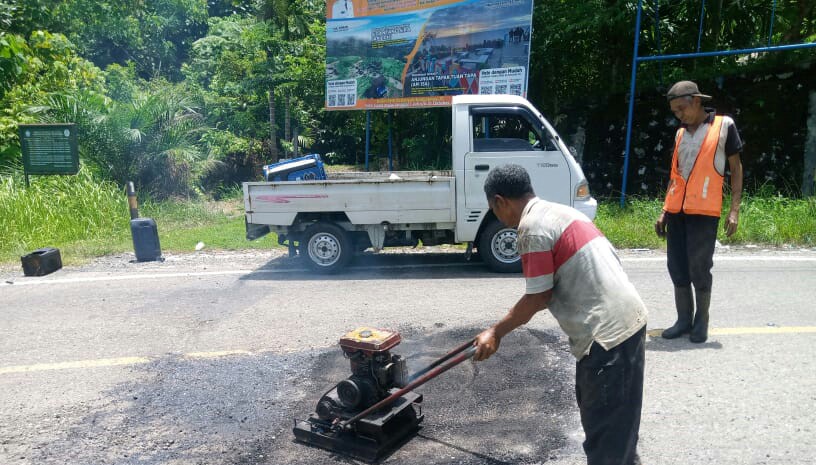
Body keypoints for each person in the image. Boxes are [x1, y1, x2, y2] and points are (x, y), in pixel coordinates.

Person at [473, 164, 648, 465]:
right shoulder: (561, 212)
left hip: (605, 337)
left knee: (606, 439)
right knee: (618, 429)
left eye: (494, 209)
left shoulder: (532, 229)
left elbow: (538, 296)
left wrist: (495, 332)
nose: (498, 217)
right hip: (628, 322)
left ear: (500, 201)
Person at [655, 80, 744, 343]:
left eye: (681, 109)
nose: (678, 115)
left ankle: (701, 321)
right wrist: (664, 210)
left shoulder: (724, 126)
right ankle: (683, 320)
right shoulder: (680, 134)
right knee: (677, 266)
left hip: (704, 212)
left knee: (699, 267)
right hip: (677, 210)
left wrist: (734, 209)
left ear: (696, 101)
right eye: (674, 112)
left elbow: (736, 168)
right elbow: (675, 175)